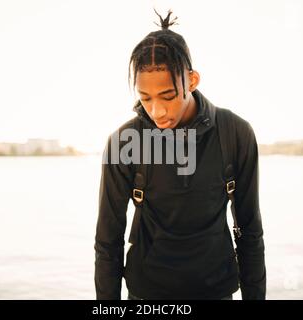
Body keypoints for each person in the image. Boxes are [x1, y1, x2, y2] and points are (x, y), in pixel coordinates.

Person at [94, 9, 266, 300]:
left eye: (168, 96)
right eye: (145, 98)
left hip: (217, 291)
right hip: (146, 295)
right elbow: (107, 242)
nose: (157, 111)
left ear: (192, 81)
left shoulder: (235, 133)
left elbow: (250, 232)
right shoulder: (123, 142)